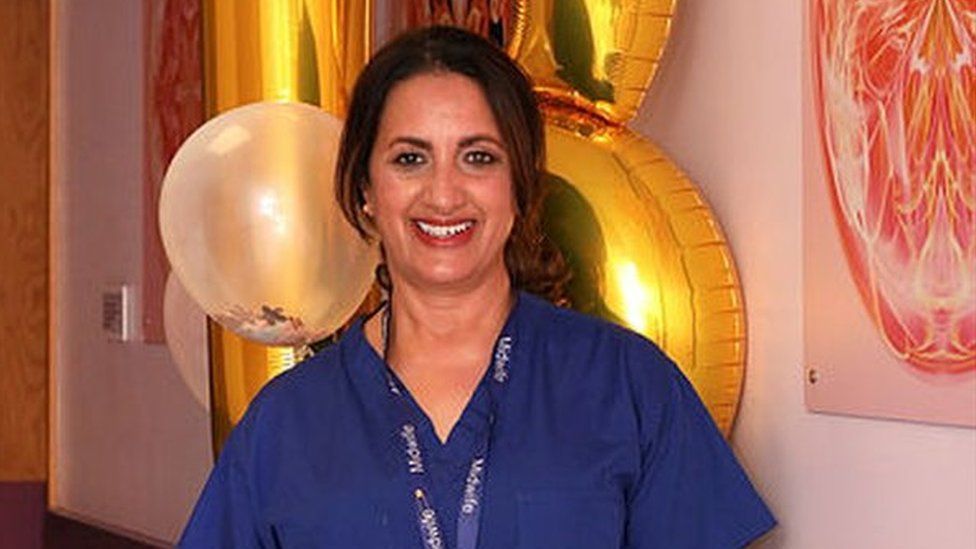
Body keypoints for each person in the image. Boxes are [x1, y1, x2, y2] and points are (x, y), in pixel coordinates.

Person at [180, 26, 776, 548]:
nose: (444, 194)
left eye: (479, 158)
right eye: (410, 159)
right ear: (366, 189)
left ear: (519, 185)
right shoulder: (288, 423)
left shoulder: (625, 384)